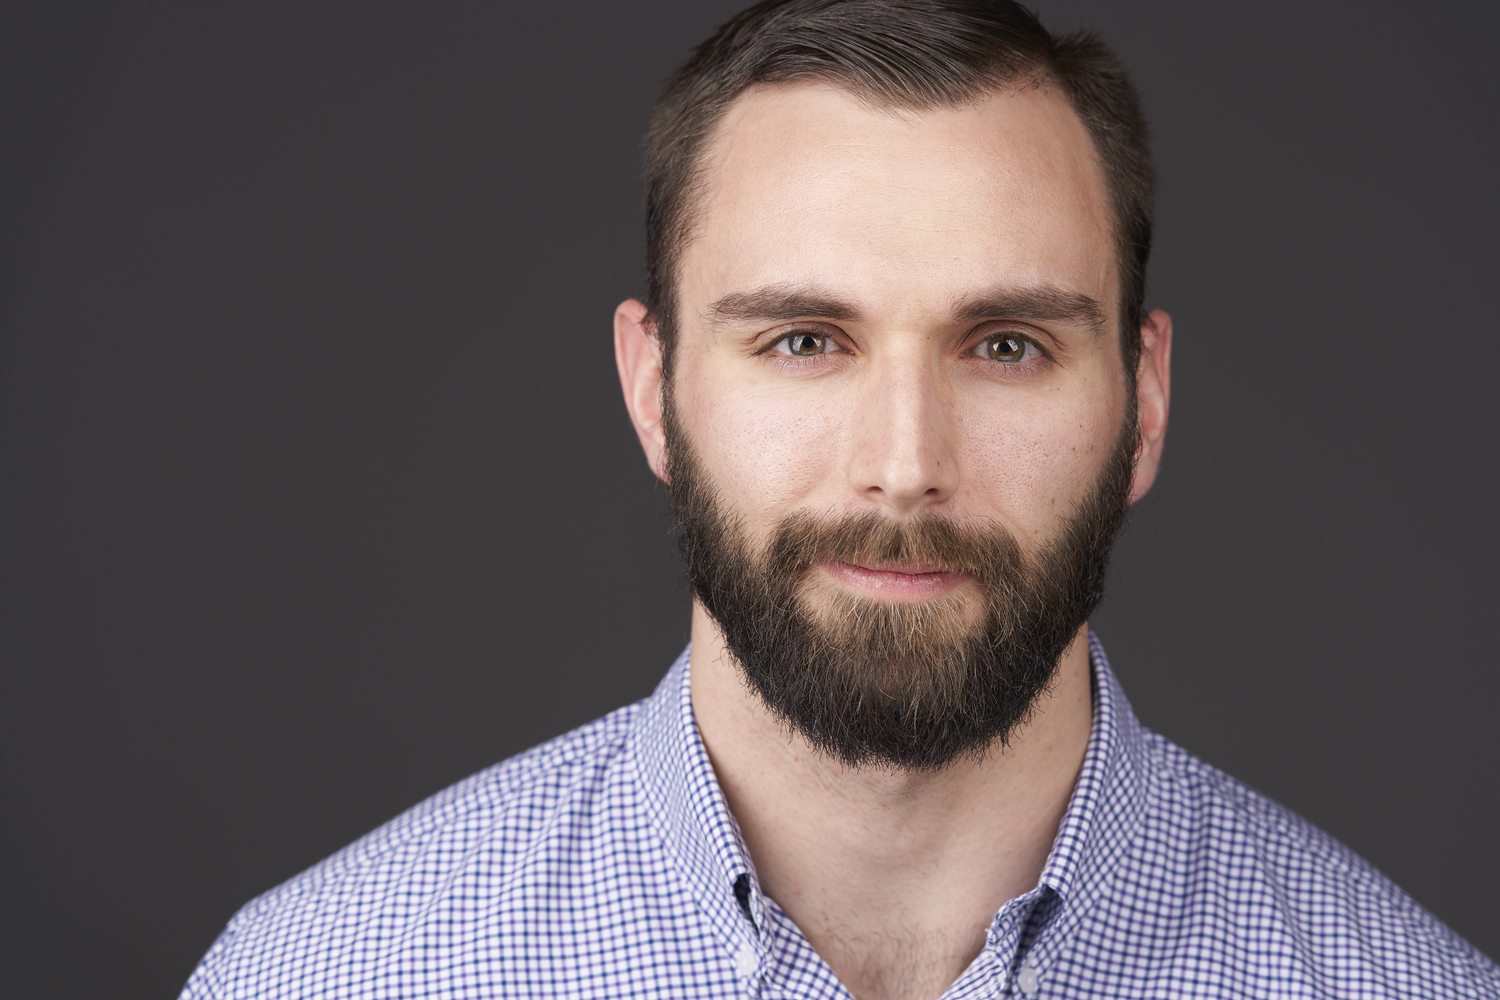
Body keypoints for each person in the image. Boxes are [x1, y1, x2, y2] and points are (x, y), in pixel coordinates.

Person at [179, 1, 1498, 997]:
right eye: (804, 340)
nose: (905, 462)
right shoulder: (320, 976)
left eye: (1007, 346)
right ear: (653, 388)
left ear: (1143, 402)